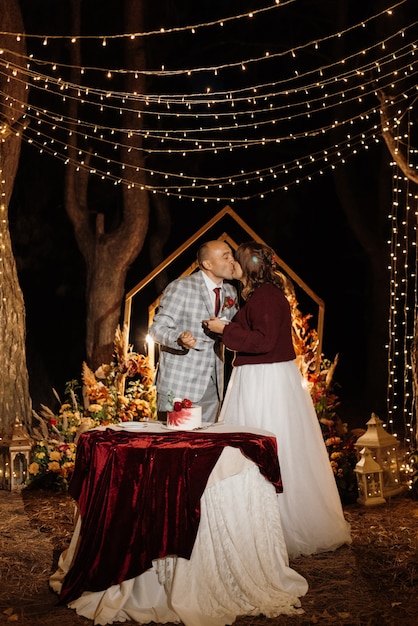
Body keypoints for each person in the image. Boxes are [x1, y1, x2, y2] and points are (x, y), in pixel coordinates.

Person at [204, 241, 352, 558]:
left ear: (250, 267)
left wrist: (225, 329)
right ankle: (249, 519)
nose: (232, 265)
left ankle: (280, 523)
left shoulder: (268, 297)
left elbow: (264, 341)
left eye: (236, 261)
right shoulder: (260, 295)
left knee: (266, 443)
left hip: (265, 381)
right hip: (259, 376)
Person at [149, 240, 238, 422]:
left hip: (214, 383)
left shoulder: (231, 292)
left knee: (206, 444)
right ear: (207, 264)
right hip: (180, 383)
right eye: (225, 256)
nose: (232, 260)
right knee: (175, 445)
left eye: (232, 255)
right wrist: (178, 338)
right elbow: (156, 329)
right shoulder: (181, 287)